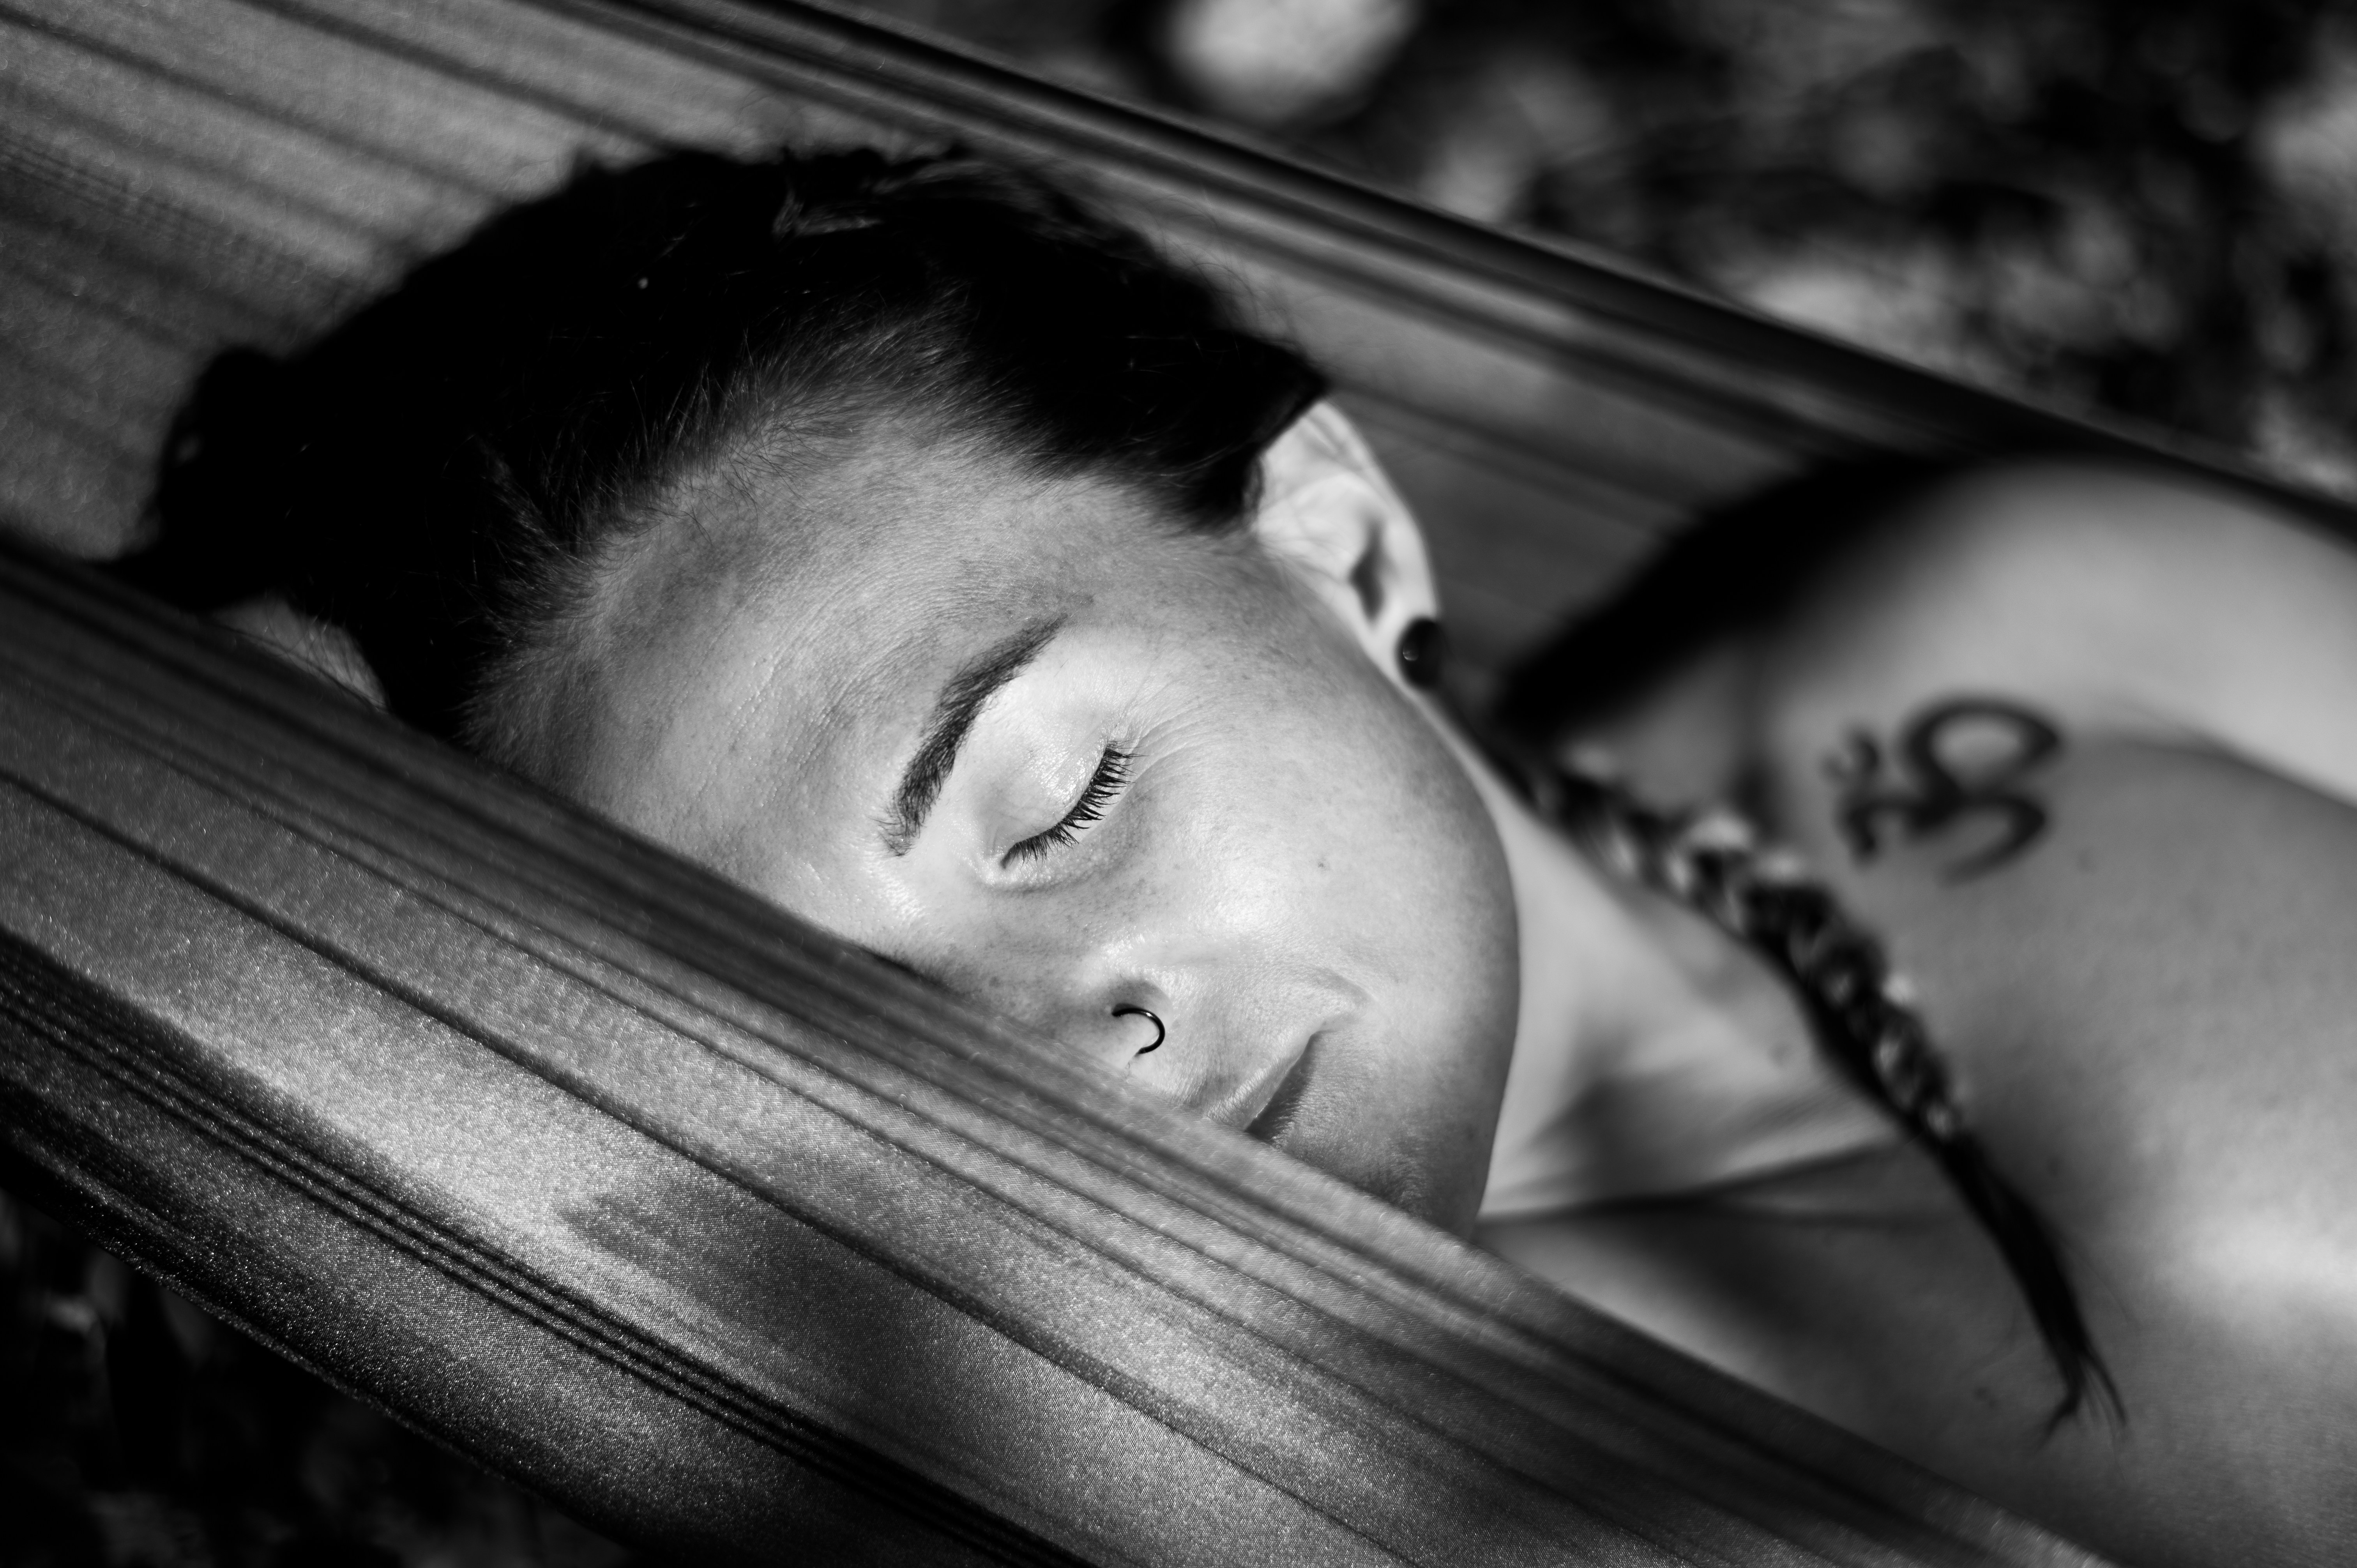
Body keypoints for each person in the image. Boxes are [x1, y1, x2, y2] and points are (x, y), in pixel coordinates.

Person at [131, 147, 2357, 1568]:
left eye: (1062, 804)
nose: (1070, 1045)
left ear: (1334, 535)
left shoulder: (2027, 628)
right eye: (847, 1038)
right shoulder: (1234, 1509)